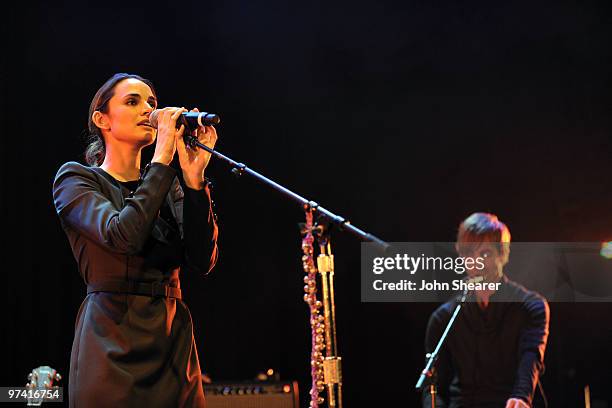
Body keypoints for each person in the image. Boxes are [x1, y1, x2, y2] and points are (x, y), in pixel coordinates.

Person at [53, 73, 219, 407]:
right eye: (132, 102)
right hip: (112, 342)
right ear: (102, 120)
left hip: (172, 344)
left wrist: (195, 181)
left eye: (152, 103)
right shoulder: (76, 179)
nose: (148, 110)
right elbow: (122, 236)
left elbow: (203, 260)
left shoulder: (167, 186)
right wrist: (161, 159)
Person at [422, 213, 549, 408]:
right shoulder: (444, 318)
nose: (476, 263)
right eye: (469, 254)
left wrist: (521, 397)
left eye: (485, 254)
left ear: (502, 255)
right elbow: (434, 386)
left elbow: (531, 360)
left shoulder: (530, 307)